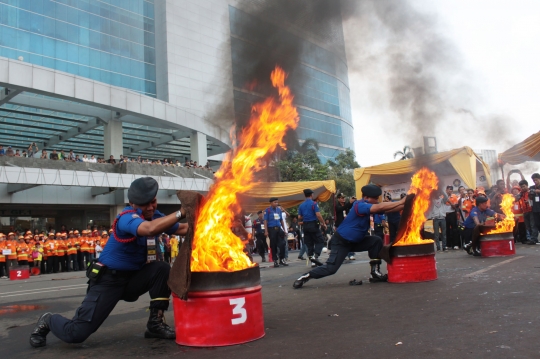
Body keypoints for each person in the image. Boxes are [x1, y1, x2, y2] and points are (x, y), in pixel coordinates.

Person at [29, 177, 189, 347]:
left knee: (161, 269)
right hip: (109, 281)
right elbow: (149, 229)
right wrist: (181, 212)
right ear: (133, 203)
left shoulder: (154, 216)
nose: (150, 207)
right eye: (145, 204)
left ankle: (155, 324)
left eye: (153, 202)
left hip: (132, 279)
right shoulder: (127, 217)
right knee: (76, 334)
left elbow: (183, 228)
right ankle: (48, 320)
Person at [293, 184, 406, 289]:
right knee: (331, 268)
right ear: (366, 197)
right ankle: (305, 277)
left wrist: (404, 204)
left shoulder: (369, 205)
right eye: (375, 198)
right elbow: (381, 207)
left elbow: (389, 209)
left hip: (355, 241)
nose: (377, 201)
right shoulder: (360, 205)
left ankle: (375, 273)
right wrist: (401, 201)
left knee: (375, 241)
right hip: (341, 242)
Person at [298, 189, 327, 267]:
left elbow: (299, 217)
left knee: (309, 243)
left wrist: (306, 215)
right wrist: (323, 223)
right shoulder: (314, 204)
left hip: (305, 226)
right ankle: (316, 255)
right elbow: (318, 215)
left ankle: (312, 261)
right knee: (320, 240)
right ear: (311, 195)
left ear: (305, 195)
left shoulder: (301, 205)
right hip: (313, 225)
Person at [263, 197, 288, 268]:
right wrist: (266, 231)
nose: (276, 204)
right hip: (272, 229)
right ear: (271, 203)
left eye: (277, 202)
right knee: (273, 245)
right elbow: (265, 221)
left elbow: (281, 220)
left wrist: (284, 230)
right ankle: (275, 260)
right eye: (275, 202)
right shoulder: (267, 210)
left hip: (279, 229)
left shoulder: (279, 210)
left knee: (283, 243)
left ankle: (282, 259)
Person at [334, 192, 356, 259]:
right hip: (340, 225)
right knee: (341, 240)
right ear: (338, 199)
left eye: (344, 197)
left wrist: (352, 201)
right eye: (342, 198)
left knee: (349, 239)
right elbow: (341, 209)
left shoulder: (346, 205)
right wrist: (349, 202)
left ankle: (350, 254)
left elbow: (349, 206)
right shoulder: (337, 206)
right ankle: (341, 254)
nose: (343, 199)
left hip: (347, 225)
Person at [530, 173, 540, 243]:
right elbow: (530, 197)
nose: (535, 182)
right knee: (537, 224)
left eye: (536, 180)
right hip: (535, 209)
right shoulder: (532, 188)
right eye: (534, 180)